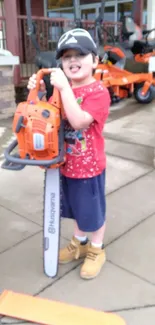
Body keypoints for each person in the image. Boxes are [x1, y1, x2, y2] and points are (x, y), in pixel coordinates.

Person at [27, 28, 111, 280]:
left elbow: (78, 122)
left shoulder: (98, 92)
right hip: (64, 164)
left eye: (80, 55)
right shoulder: (62, 90)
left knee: (92, 212)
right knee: (74, 209)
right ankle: (80, 242)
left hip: (89, 167)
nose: (72, 61)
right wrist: (38, 92)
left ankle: (96, 249)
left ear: (95, 60)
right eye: (66, 57)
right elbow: (44, 114)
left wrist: (63, 90)